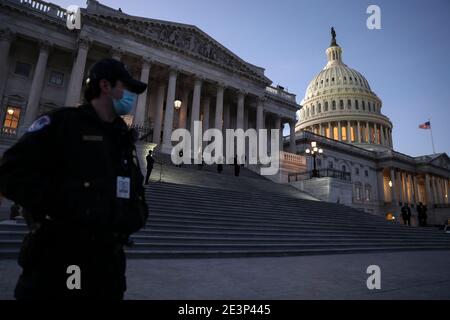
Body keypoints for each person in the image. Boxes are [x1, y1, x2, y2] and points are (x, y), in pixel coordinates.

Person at [0, 58, 149, 300]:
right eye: (125, 87)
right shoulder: (63, 124)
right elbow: (9, 171)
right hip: (56, 262)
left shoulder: (123, 140)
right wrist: (64, 210)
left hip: (106, 270)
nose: (130, 96)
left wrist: (132, 217)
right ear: (105, 86)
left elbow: (135, 194)